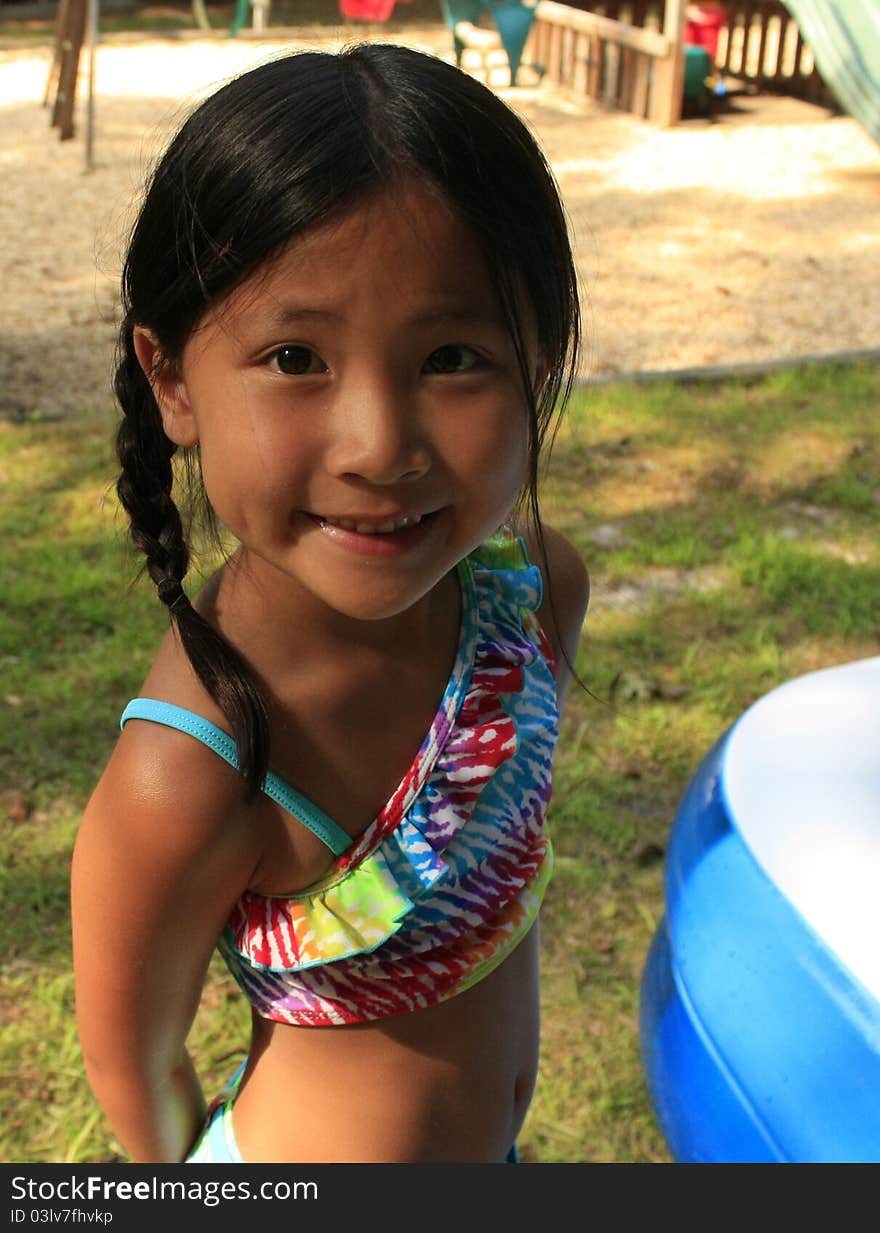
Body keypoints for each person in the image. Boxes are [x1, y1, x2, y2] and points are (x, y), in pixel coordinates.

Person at [70, 42, 590, 1165]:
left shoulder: (534, 599)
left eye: (454, 356)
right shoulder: (192, 769)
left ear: (536, 366)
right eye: (296, 355)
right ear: (172, 380)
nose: (381, 446)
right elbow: (134, 1066)